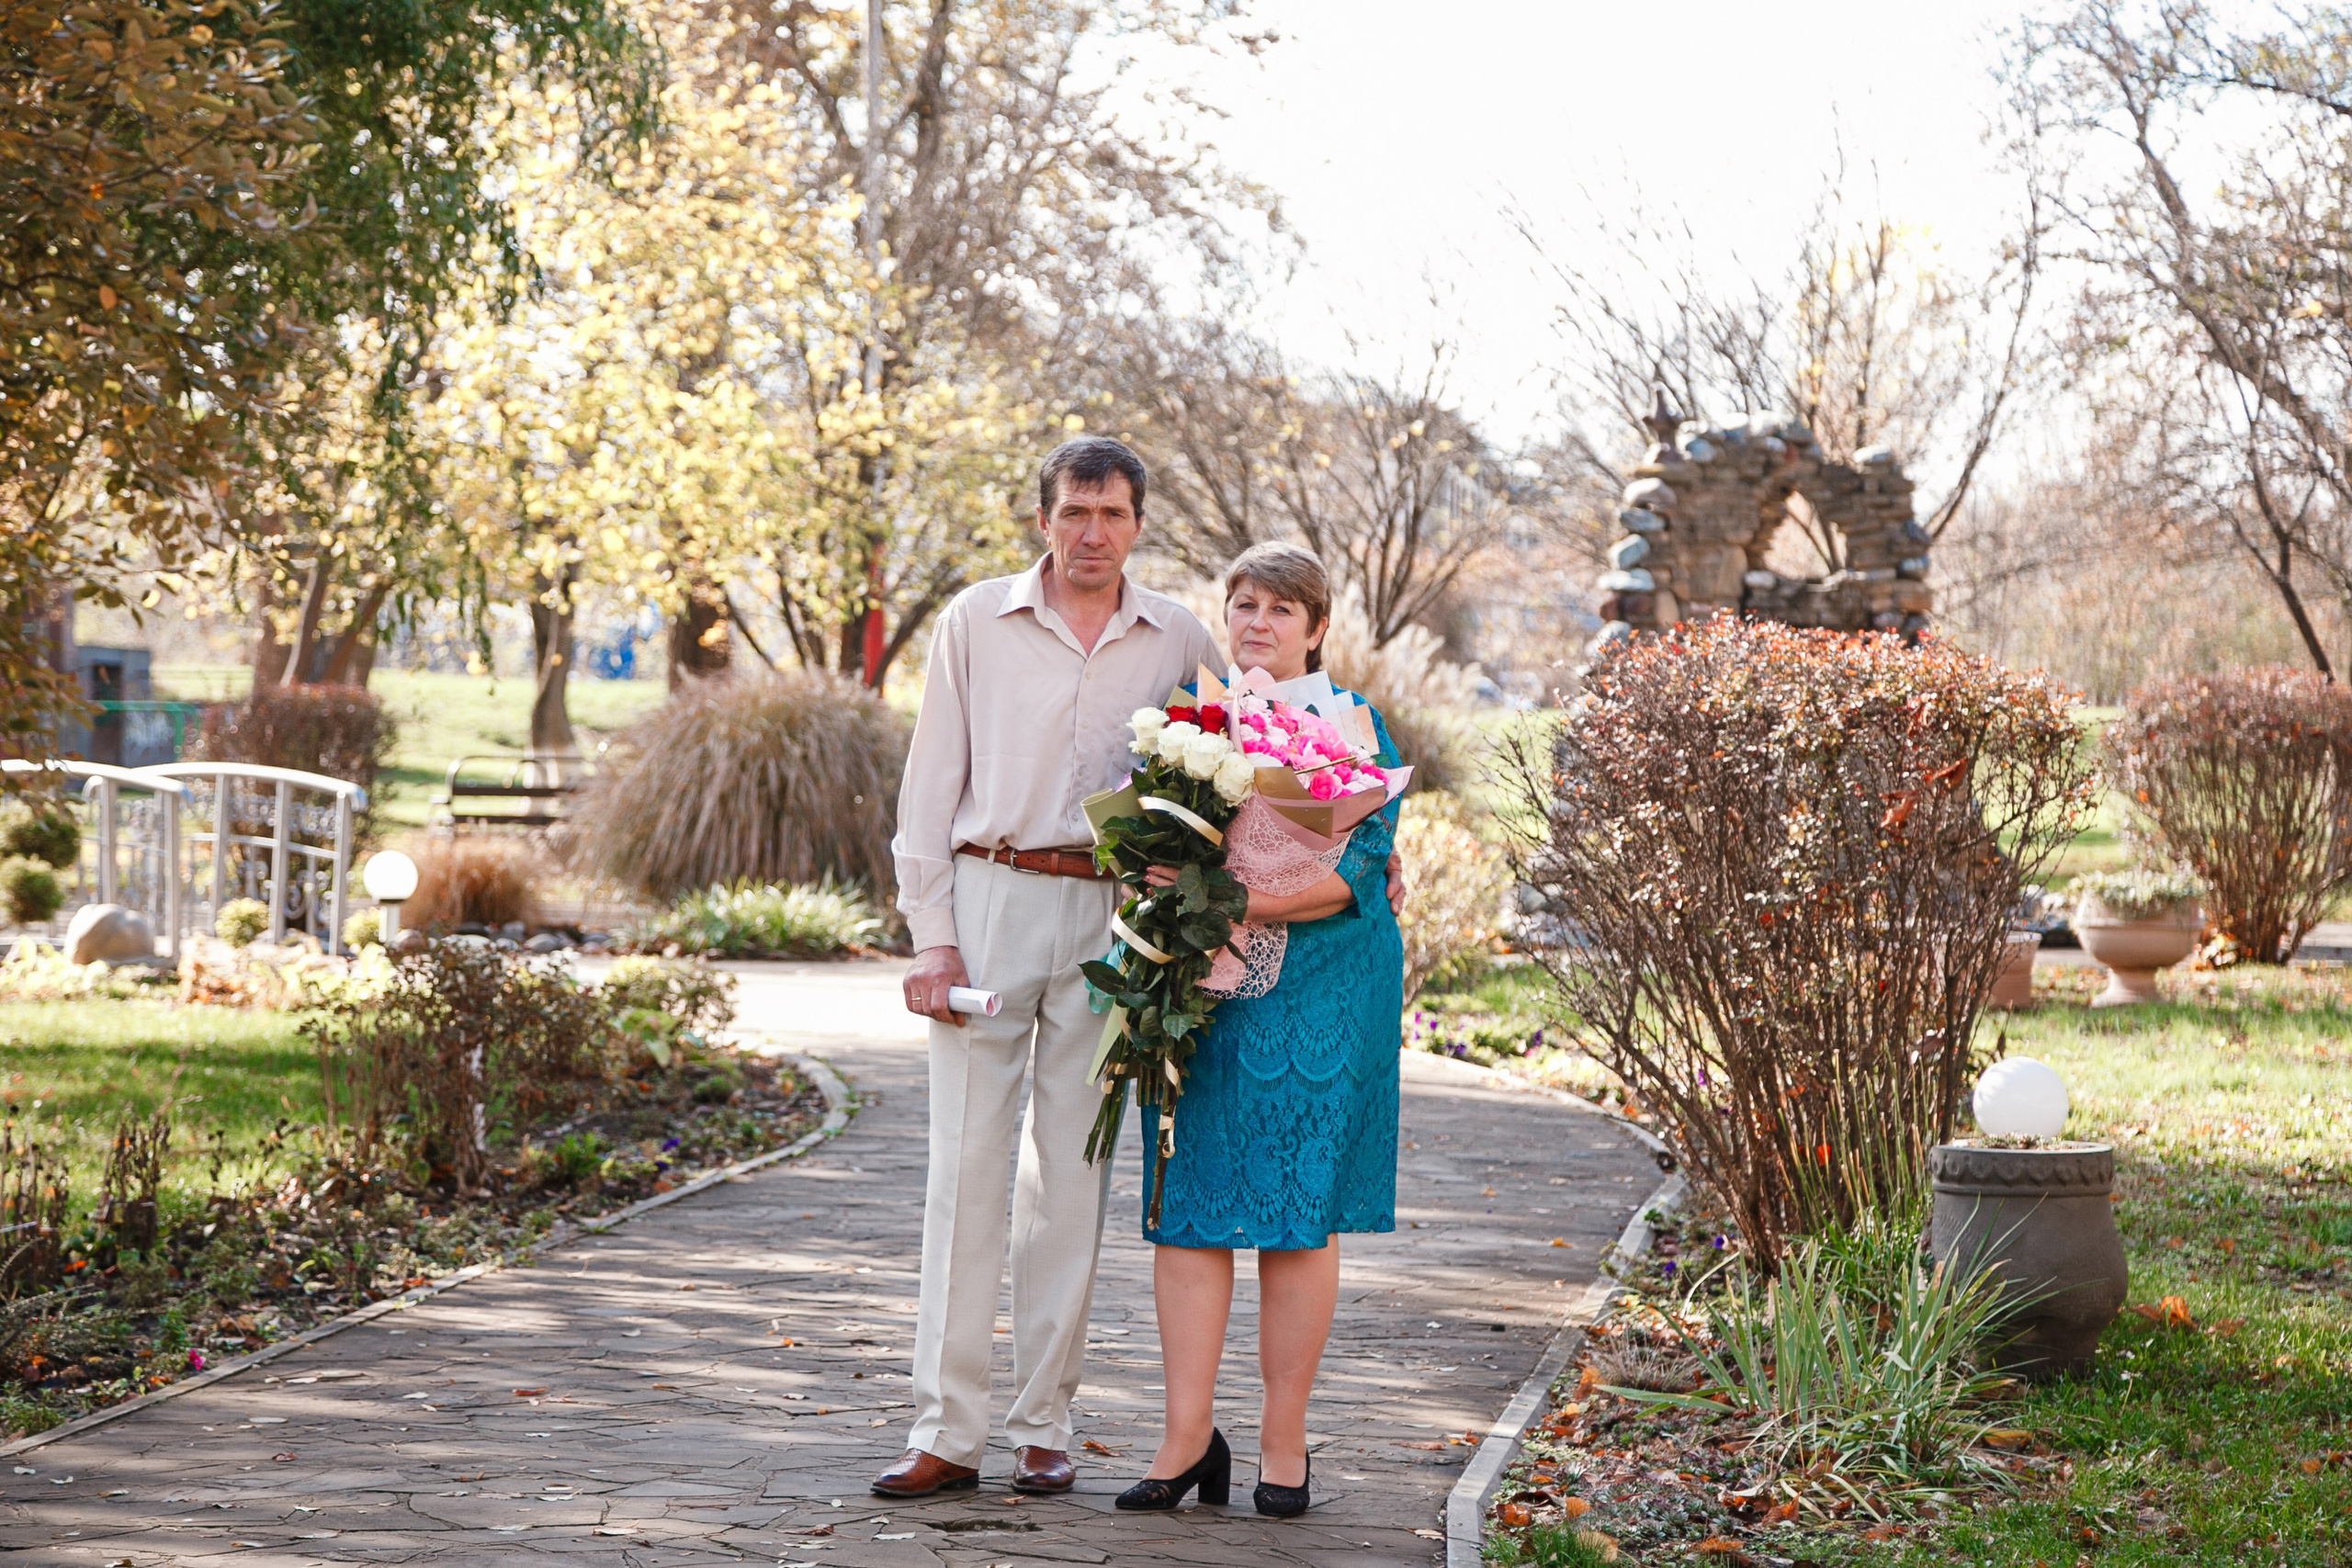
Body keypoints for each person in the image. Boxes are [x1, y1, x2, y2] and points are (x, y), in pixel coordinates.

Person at [876, 436, 1222, 1499]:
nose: (1092, 533)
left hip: (1113, 923)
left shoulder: (1178, 637)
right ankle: (946, 1429)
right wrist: (932, 935)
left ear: (1138, 525)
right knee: (966, 1171)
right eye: (1075, 511)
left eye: (1112, 515)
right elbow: (929, 784)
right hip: (988, 898)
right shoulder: (975, 621)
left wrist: (1353, 852)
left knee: (1071, 1176)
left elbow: (1239, 773)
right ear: (1043, 520)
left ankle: (1042, 1425)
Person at [1114, 541, 1404, 1519]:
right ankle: (1186, 1437)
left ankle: (1285, 1440)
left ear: (1316, 628)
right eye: (1244, 604)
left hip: (1323, 987)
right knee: (1188, 1202)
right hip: (1201, 987)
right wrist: (1159, 875)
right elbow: (1148, 842)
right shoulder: (1189, 722)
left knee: (1296, 1207)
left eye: (1281, 609)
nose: (1258, 623)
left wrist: (1232, 895)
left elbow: (1353, 877)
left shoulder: (1352, 727)